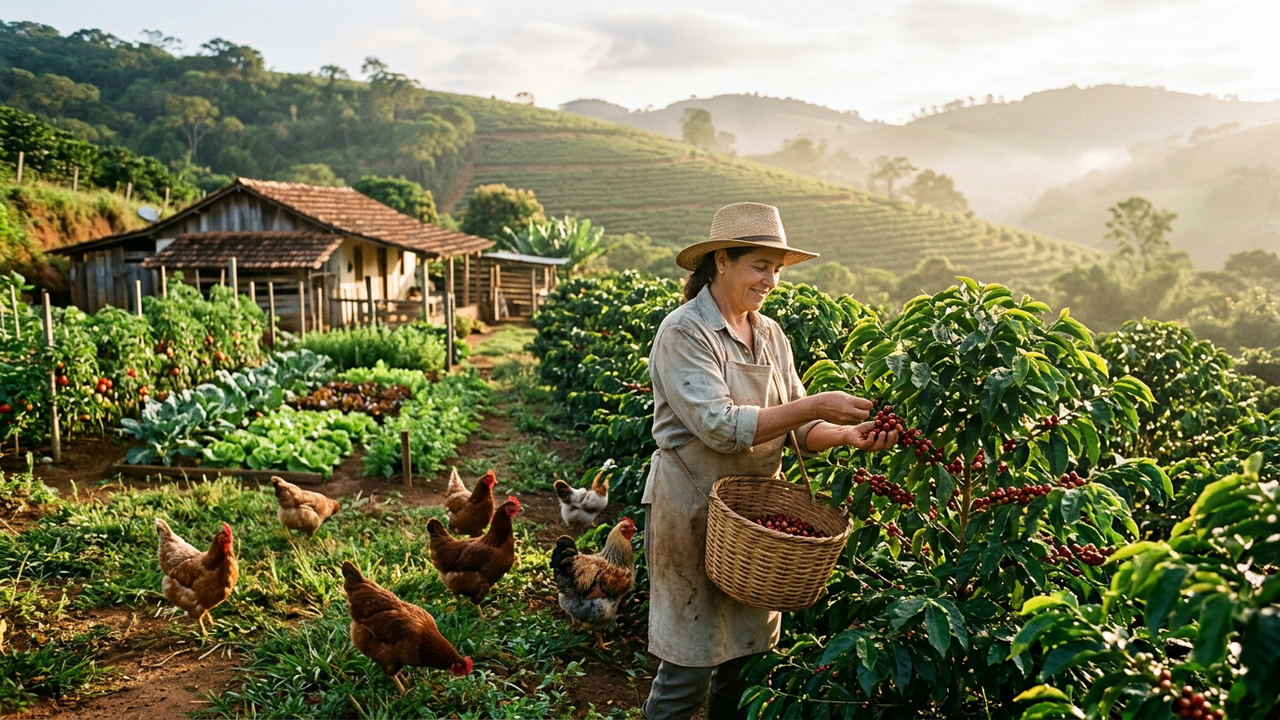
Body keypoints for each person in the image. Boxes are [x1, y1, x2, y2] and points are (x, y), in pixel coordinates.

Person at [640, 202, 898, 720]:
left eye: (777, 269)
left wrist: (845, 433)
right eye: (760, 265)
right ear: (721, 261)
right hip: (692, 510)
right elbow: (720, 426)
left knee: (745, 665)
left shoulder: (772, 335)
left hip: (756, 530)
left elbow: (799, 429)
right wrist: (815, 404)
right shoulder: (685, 332)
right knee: (687, 668)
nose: (771, 280)